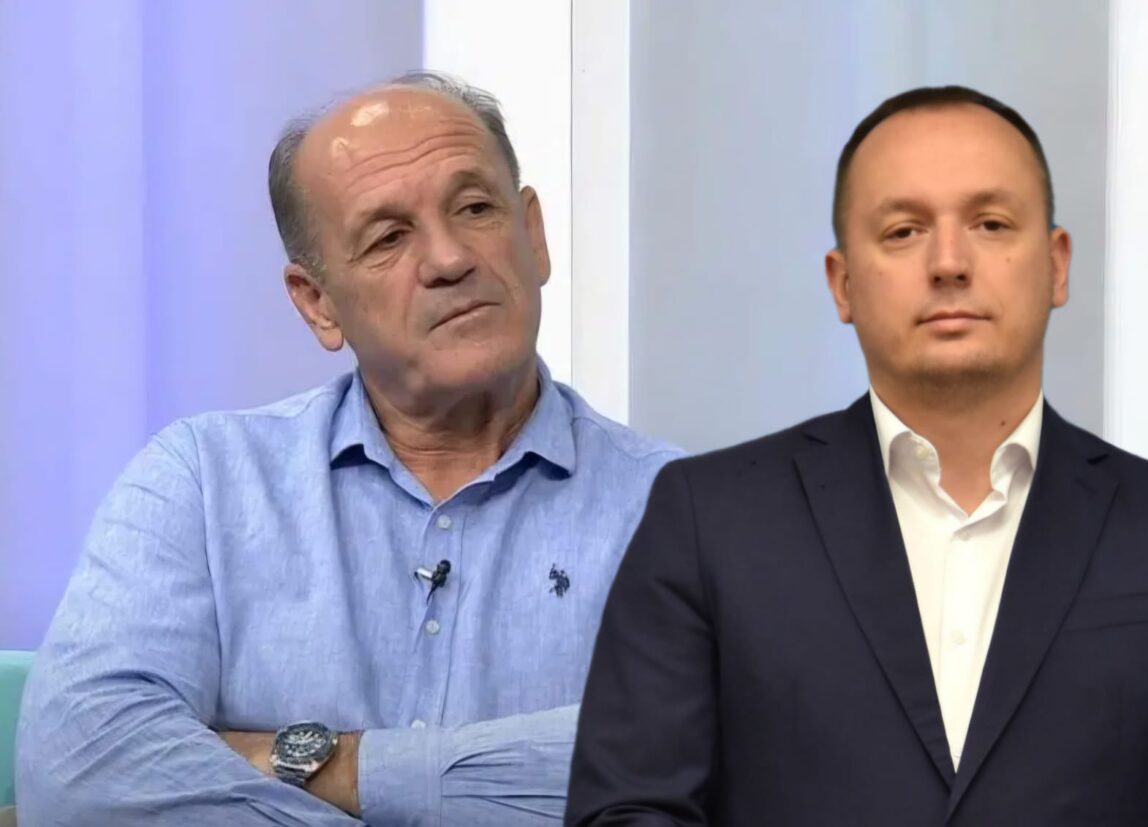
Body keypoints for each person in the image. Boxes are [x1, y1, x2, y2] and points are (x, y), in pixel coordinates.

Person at [16, 72, 679, 826]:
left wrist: (337, 765)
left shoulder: (686, 512)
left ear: (534, 236)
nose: (449, 258)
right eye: (388, 237)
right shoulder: (201, 484)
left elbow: (725, 764)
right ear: (318, 303)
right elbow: (78, 770)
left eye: (475, 208)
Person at [567, 85, 1148, 825]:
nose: (949, 262)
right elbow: (628, 809)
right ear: (843, 282)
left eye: (990, 223)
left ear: (1057, 265)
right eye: (904, 231)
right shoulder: (708, 520)